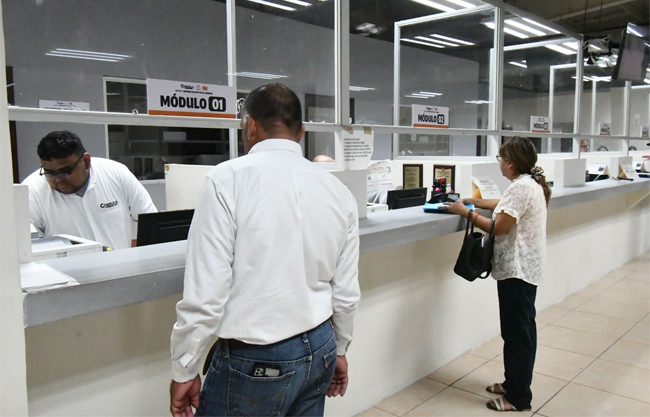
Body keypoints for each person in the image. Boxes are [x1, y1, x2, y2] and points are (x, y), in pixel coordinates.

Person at [169, 84, 361, 417]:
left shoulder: (226, 180)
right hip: (321, 346)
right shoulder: (338, 190)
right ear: (301, 132)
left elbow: (206, 294)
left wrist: (185, 368)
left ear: (250, 125)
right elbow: (345, 292)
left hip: (257, 358)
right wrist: (340, 349)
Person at [444, 136, 550, 412]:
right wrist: (472, 200)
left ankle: (518, 397)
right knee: (521, 331)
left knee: (517, 335)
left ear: (510, 163)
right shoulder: (529, 183)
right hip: (526, 270)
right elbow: (504, 204)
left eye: (501, 158)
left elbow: (499, 227)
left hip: (517, 271)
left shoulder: (521, 187)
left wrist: (465, 212)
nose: (499, 163)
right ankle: (513, 382)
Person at [22, 131, 157, 250]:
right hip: (66, 271)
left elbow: (151, 222)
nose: (57, 179)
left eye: (65, 171)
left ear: (86, 161)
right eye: (49, 173)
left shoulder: (116, 173)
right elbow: (27, 246)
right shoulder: (32, 191)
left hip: (121, 267)